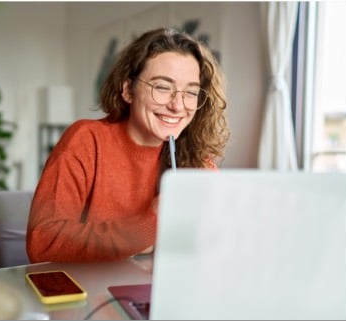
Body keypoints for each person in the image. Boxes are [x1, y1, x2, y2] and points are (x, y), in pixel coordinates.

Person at [26, 28, 229, 263]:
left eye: (191, 92)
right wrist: (149, 224)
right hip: (88, 294)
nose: (178, 106)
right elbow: (43, 242)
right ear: (128, 90)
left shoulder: (197, 165)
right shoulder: (86, 140)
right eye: (162, 87)